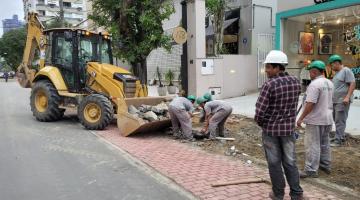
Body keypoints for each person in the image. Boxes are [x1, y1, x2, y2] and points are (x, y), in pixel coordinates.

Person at [254, 50, 304, 200]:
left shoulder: (269, 85)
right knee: (290, 162)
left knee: (274, 163)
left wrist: (263, 124)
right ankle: (296, 194)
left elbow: (260, 112)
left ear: (278, 67)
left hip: (271, 131)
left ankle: (278, 194)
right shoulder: (296, 82)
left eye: (269, 67)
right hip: (288, 130)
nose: (267, 71)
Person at [297, 60, 334, 178]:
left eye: (310, 72)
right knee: (324, 142)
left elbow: (310, 103)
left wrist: (301, 118)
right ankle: (325, 164)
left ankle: (311, 169)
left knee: (312, 144)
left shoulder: (314, 84)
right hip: (327, 118)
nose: (309, 74)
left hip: (315, 119)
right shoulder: (329, 83)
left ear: (314, 71)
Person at [328, 55, 356, 147]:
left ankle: (338, 140)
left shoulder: (346, 70)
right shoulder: (337, 73)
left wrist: (347, 97)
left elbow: (352, 83)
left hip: (342, 100)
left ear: (336, 63)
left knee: (340, 120)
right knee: (336, 119)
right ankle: (339, 136)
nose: (331, 67)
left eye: (332, 65)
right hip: (336, 100)